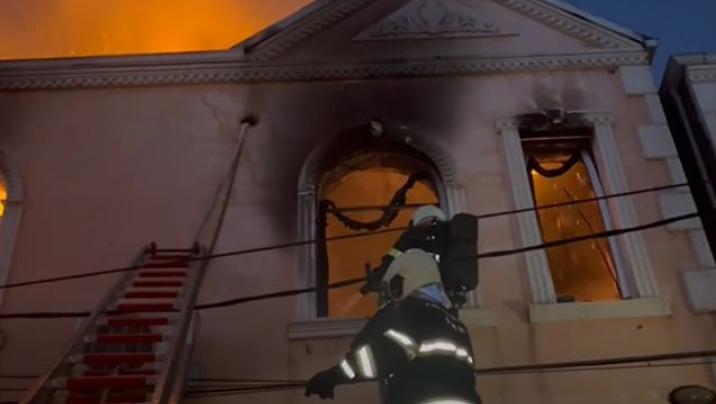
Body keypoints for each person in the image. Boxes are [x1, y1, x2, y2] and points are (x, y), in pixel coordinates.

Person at [305, 247, 481, 404]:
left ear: (401, 283)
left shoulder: (412, 312)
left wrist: (332, 377)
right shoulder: (458, 326)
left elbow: (377, 358)